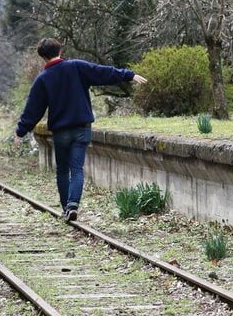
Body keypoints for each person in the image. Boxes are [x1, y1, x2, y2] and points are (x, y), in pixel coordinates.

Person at [13, 38, 147, 222]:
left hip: (61, 132)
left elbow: (33, 109)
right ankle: (73, 205)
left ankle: (65, 209)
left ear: (43, 56)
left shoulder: (42, 79)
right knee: (77, 169)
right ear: (60, 50)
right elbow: (102, 72)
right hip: (82, 128)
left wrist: (21, 132)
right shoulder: (76, 67)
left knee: (62, 170)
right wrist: (128, 74)